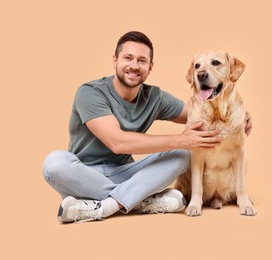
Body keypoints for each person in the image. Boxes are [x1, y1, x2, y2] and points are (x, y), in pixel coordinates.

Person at [43, 31, 252, 223]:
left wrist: (238, 116)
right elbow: (117, 142)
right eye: (128, 58)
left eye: (142, 60)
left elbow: (198, 114)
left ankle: (102, 205)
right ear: (115, 61)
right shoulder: (90, 93)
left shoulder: (155, 97)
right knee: (55, 163)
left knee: (182, 154)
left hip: (126, 173)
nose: (134, 65)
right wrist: (182, 139)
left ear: (150, 67)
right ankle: (133, 202)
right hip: (83, 174)